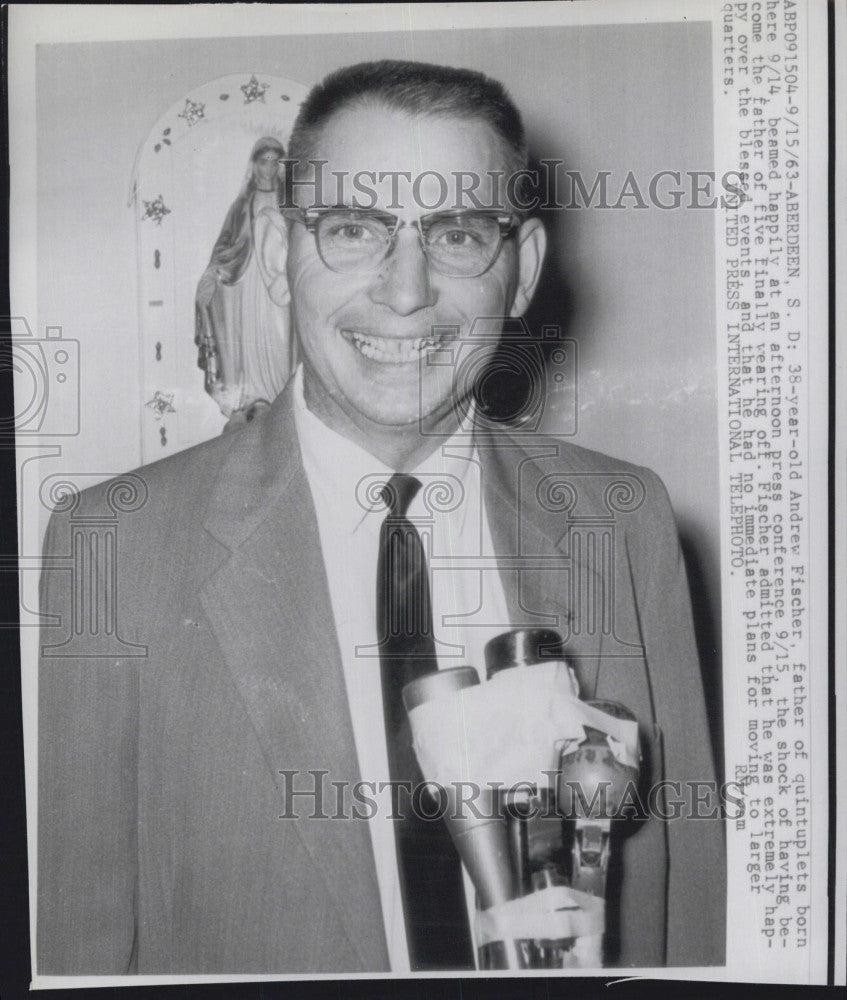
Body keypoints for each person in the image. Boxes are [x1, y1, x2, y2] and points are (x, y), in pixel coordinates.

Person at [37, 60, 725, 976]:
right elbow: (80, 940)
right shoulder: (113, 545)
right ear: (282, 258)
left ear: (519, 272)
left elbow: (693, 906)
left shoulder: (624, 518)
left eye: (457, 235)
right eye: (354, 229)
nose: (405, 292)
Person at [195, 136, 295, 425]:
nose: (270, 167)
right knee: (247, 344)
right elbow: (225, 245)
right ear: (254, 165)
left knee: (281, 342)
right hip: (246, 285)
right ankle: (249, 404)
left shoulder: (289, 205)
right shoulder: (242, 205)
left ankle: (280, 402)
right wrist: (211, 274)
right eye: (264, 161)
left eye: (276, 161)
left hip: (279, 288)